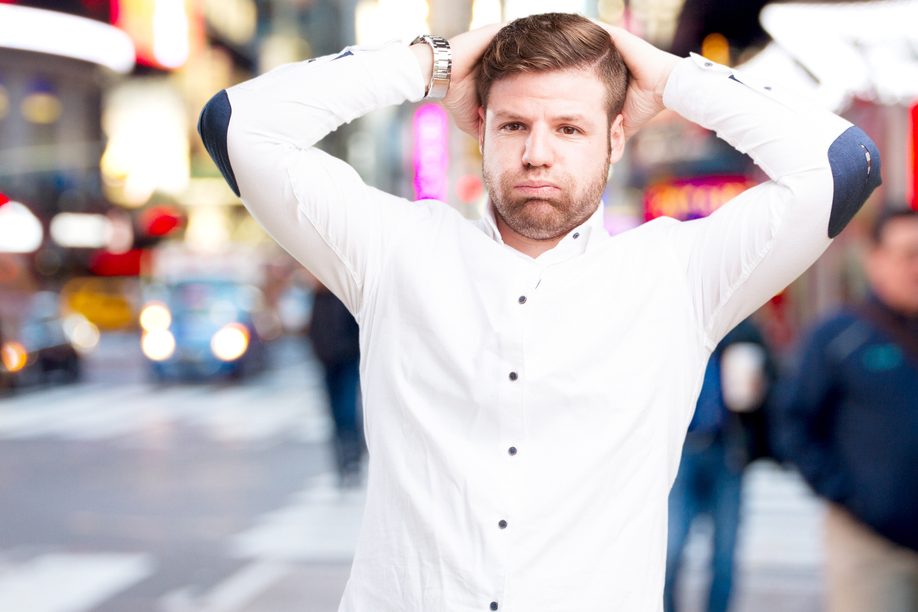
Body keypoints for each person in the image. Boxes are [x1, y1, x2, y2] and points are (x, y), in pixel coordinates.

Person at [197, 12, 880, 610]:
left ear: (617, 138)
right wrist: (432, 62)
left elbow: (843, 163)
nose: (537, 153)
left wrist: (670, 79)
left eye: (570, 128)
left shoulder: (680, 274)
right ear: (479, 128)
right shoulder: (394, 250)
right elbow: (239, 125)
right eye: (515, 124)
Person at [774, 208, 918, 612]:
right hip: (871, 549)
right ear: (876, 260)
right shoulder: (840, 336)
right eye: (908, 255)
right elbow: (793, 423)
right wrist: (846, 494)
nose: (916, 268)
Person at [664, 317, 775, 612]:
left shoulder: (743, 327)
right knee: (670, 547)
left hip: (727, 449)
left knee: (725, 552)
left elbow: (772, 386)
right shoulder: (669, 322)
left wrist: (760, 386)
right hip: (680, 449)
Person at [308, 283, 365, 487]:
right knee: (335, 411)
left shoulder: (345, 293)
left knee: (347, 409)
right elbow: (313, 329)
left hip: (347, 359)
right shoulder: (317, 296)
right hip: (328, 361)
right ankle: (344, 458)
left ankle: (352, 455)